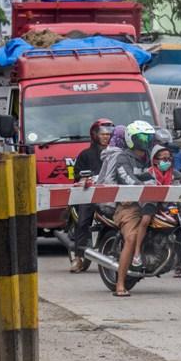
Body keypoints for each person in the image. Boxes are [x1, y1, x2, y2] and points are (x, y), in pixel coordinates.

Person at [100, 121, 157, 297]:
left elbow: (170, 172)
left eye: (148, 137)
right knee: (131, 239)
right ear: (131, 139)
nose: (145, 141)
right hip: (128, 205)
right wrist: (147, 187)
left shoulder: (151, 157)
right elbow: (128, 179)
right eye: (141, 137)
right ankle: (120, 284)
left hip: (152, 201)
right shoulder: (122, 158)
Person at [70, 118, 114, 273]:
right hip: (90, 195)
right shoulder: (85, 155)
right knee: (83, 222)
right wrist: (87, 179)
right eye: (103, 134)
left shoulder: (117, 154)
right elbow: (77, 176)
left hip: (113, 195)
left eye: (109, 134)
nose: (106, 137)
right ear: (95, 135)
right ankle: (79, 257)